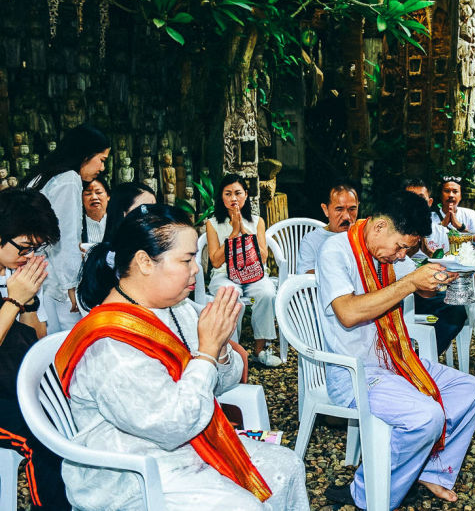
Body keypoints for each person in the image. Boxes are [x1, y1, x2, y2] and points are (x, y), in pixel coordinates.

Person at [65, 204, 309, 510]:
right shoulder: (110, 344)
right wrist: (206, 354)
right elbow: (171, 427)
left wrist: (219, 350)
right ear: (144, 262)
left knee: (287, 466)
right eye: (187, 259)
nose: (197, 268)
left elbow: (219, 386)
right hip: (133, 470)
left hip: (186, 446)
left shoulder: (176, 308)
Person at [317, 191, 475, 510]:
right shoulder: (334, 251)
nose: (400, 256)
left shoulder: (386, 251)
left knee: (470, 389)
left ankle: (432, 472)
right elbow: (349, 313)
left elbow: (415, 282)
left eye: (407, 249)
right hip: (354, 374)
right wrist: (409, 282)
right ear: (379, 226)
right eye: (400, 247)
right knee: (428, 416)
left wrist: (437, 277)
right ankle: (366, 493)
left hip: (395, 360)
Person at [0, 188, 69, 509]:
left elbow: (36, 340)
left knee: (76, 414)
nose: (29, 256)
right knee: (43, 438)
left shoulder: (14, 275)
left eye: (37, 248)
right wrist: (13, 300)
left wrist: (27, 301)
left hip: (18, 384)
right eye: (25, 247)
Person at [27, 123, 109, 331]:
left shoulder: (45, 176)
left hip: (32, 270)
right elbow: (65, 238)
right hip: (51, 279)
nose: (102, 168)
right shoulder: (68, 180)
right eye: (101, 160)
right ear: (85, 154)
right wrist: (72, 287)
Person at [205, 174, 280, 367]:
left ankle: (260, 350)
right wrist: (232, 234)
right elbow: (214, 261)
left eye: (238, 193)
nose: (233, 198)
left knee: (267, 292)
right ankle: (233, 351)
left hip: (254, 273)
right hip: (224, 275)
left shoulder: (257, 221)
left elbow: (263, 257)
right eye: (228, 194)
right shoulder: (213, 224)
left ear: (246, 195)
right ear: (221, 198)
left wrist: (244, 231)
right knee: (231, 294)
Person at [403, 179, 468, 354]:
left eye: (421, 199)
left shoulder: (440, 233)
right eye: (410, 198)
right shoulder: (391, 229)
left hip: (428, 292)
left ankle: (424, 358)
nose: (415, 204)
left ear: (430, 203)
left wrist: (428, 254)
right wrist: (410, 250)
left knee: (457, 310)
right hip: (397, 292)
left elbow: (450, 269)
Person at [296, 181, 359, 274]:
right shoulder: (312, 240)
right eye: (339, 209)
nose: (346, 216)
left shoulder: (365, 237)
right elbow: (305, 277)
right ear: (325, 210)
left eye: (352, 209)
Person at [431, 176, 475, 241]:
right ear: (440, 195)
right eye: (447, 191)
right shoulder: (430, 217)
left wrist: (460, 227)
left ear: (460, 196)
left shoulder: (470, 214)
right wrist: (442, 225)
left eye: (455, 191)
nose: (451, 195)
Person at [81, 177, 110, 245]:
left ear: (108, 196)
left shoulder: (119, 222)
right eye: (88, 194)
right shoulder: (77, 225)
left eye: (98, 192)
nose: (94, 197)